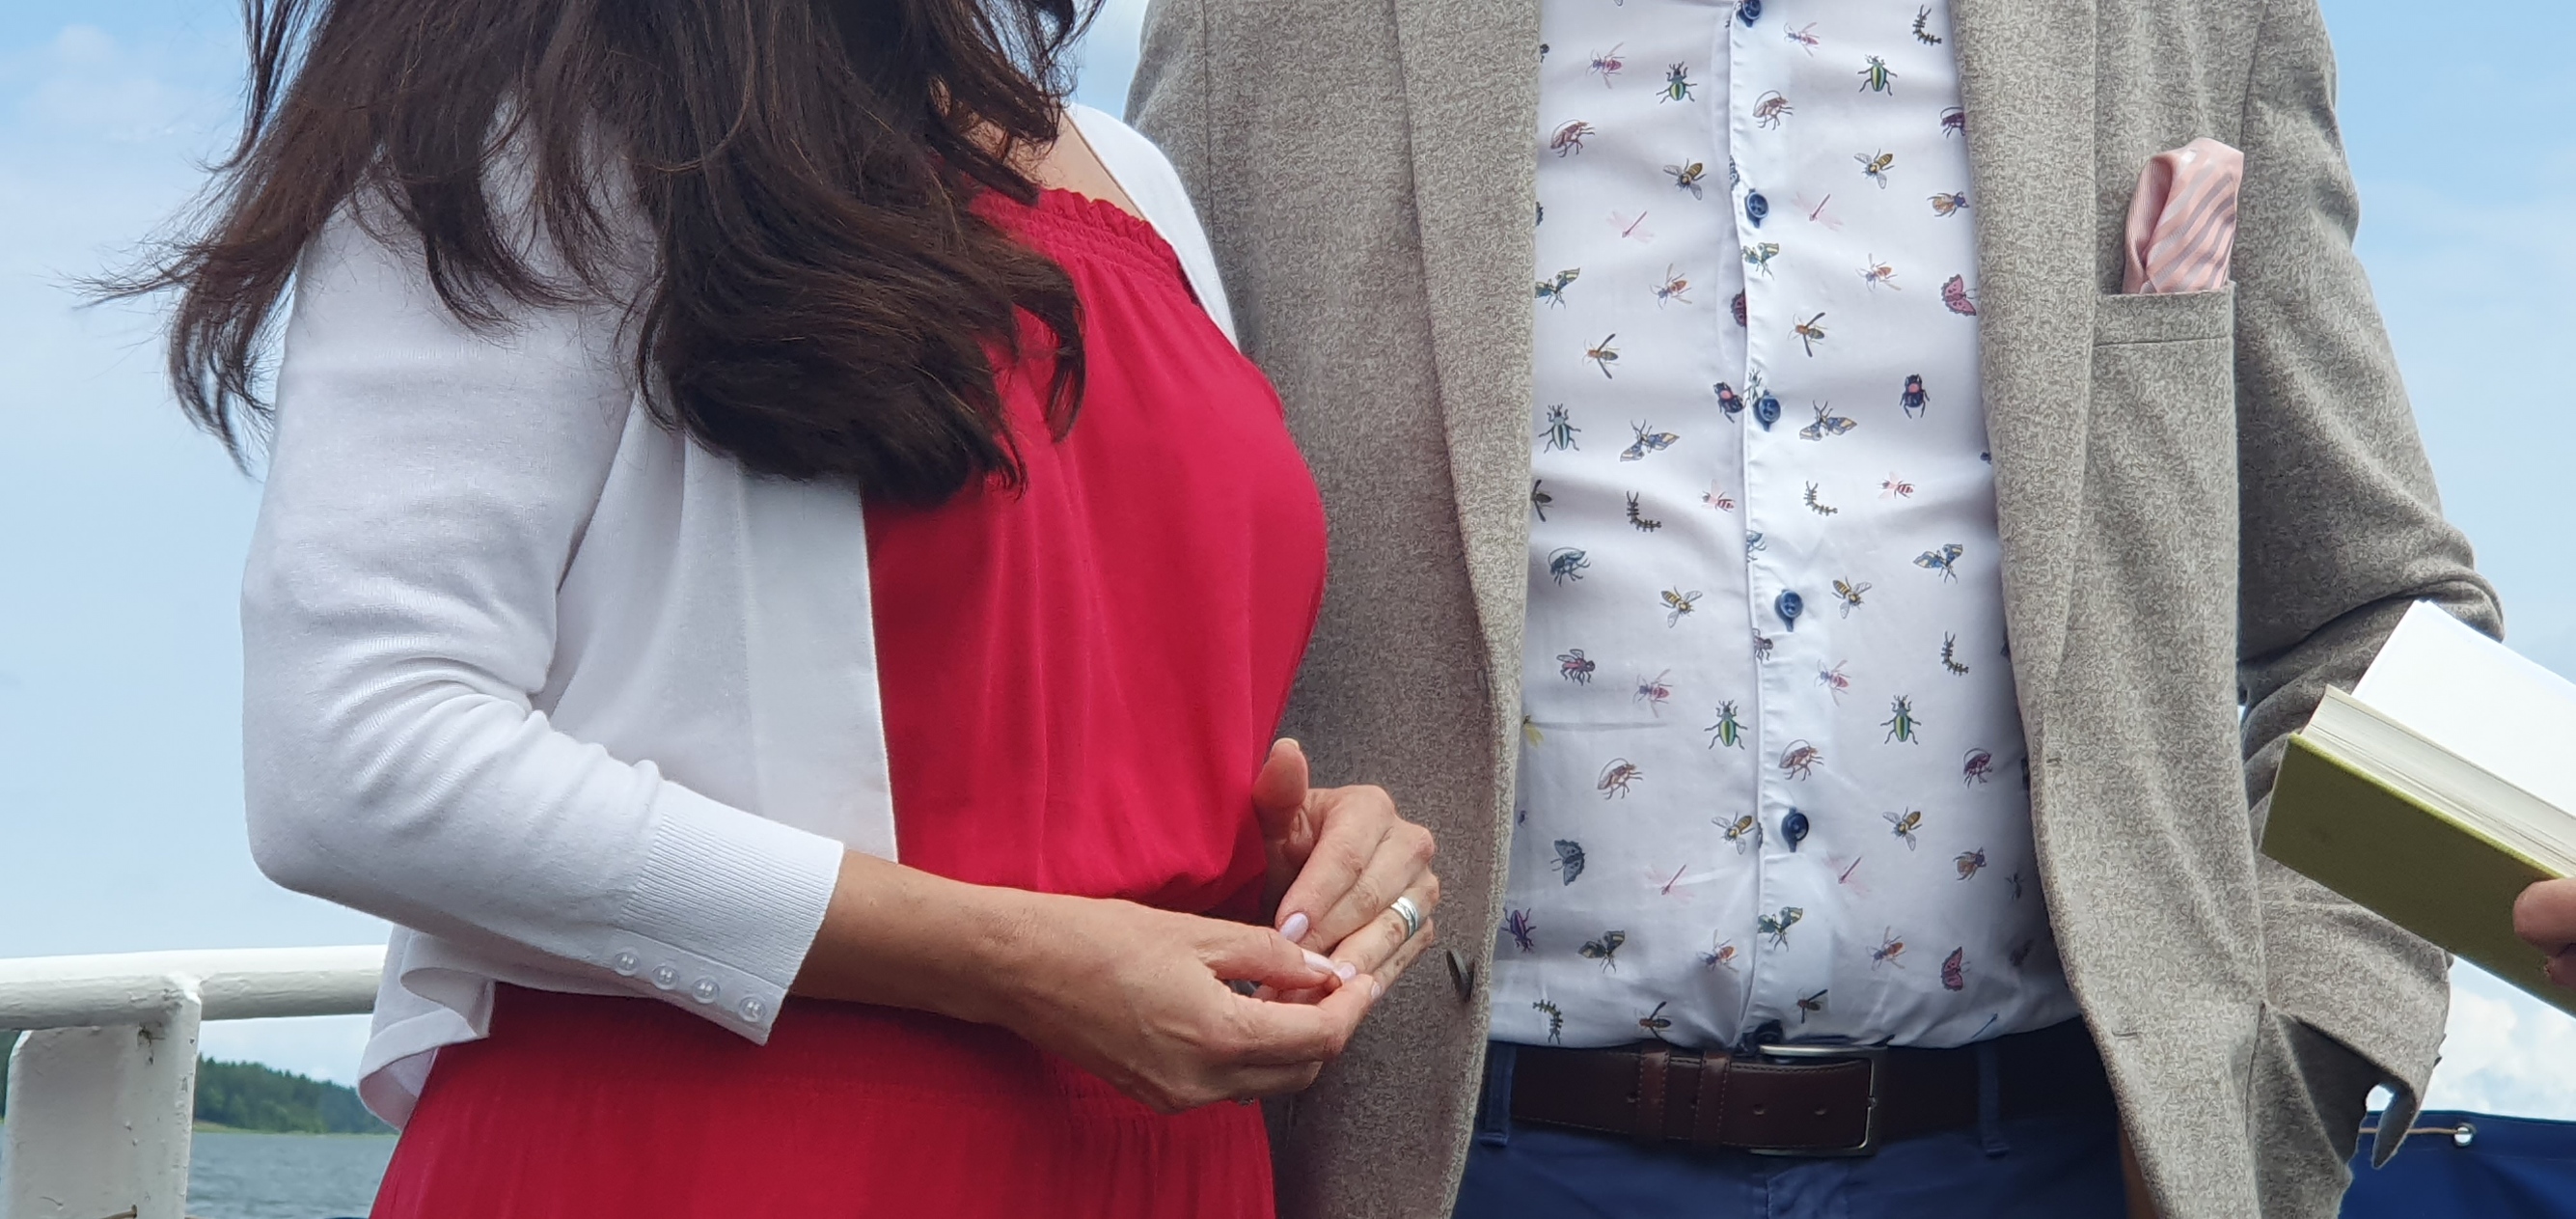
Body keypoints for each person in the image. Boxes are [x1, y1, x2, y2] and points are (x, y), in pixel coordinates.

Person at [1129, 0, 2496, 1216]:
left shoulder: (2193, 19)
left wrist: (2299, 1056)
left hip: (2055, 1159)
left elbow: (2380, 614)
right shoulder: (1261, 27)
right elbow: (1120, 599)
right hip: (1449, 1159)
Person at [129, 1, 1441, 1214]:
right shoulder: (544, 111)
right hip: (724, 1152)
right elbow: (352, 752)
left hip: (1167, 1162)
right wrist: (1016, 958)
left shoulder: (1130, 175)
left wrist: (1294, 857)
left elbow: (1091, 743)